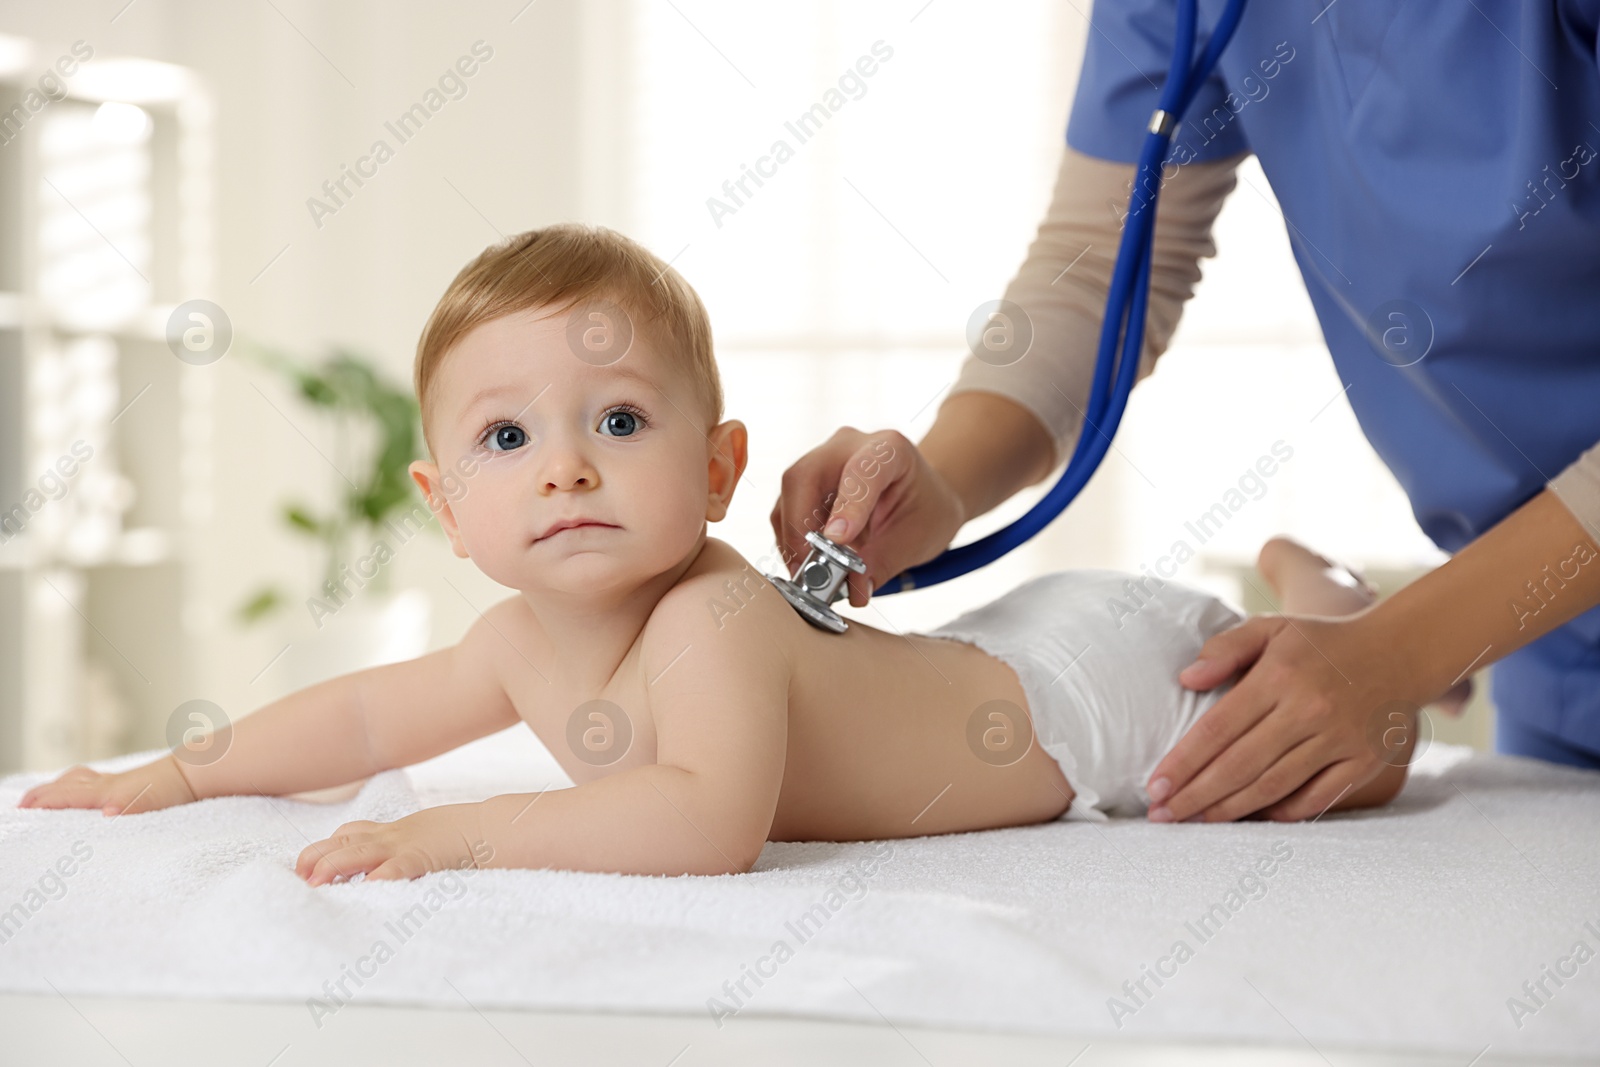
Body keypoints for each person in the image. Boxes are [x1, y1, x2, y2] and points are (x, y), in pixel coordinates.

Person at [17, 226, 1412, 881]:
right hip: (1005, 641)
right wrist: (174, 771)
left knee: (1309, 718)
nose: (563, 461)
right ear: (445, 507)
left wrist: (450, 831)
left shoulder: (714, 617)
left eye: (618, 418)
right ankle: (1299, 576)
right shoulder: (513, 643)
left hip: (1082, 692)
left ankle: (1316, 579)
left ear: (717, 469)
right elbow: (368, 712)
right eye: (507, 440)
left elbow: (702, 822)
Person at [772, 1, 1600, 824]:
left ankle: (1329, 599)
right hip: (1558, 652)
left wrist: (1405, 649)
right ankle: (1326, 597)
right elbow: (1105, 266)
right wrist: (943, 481)